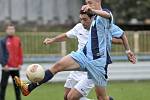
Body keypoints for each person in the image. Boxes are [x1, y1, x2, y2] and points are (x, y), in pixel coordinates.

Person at [14, 0, 136, 100]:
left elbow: (115, 25)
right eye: (87, 2)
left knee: (97, 98)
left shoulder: (105, 15)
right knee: (57, 66)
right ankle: (28, 88)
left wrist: (127, 50)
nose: (88, 4)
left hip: (98, 63)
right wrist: (128, 51)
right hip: (83, 56)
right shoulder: (90, 20)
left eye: (90, 2)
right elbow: (123, 34)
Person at [43, 10, 123, 100]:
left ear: (92, 18)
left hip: (90, 68)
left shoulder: (100, 27)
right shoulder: (79, 27)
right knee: (66, 97)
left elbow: (120, 40)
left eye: (85, 19)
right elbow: (66, 35)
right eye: (81, 19)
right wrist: (52, 40)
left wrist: (106, 38)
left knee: (72, 97)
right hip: (77, 65)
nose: (82, 22)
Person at [0, 23, 23, 100]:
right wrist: (4, 64)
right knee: (3, 86)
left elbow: (20, 52)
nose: (11, 31)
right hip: (6, 68)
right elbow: (1, 53)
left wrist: (20, 63)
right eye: (9, 29)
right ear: (6, 30)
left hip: (16, 68)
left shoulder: (18, 40)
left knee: (18, 87)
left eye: (12, 29)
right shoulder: (3, 41)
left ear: (14, 30)